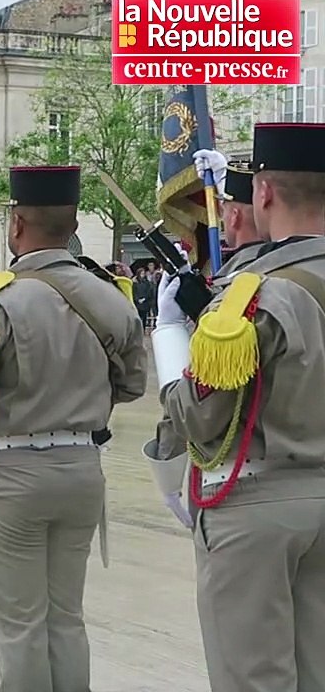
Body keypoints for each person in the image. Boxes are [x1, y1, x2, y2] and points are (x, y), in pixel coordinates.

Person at [0, 165, 147, 692]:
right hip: (80, 470)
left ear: (18, 225)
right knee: (66, 619)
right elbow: (133, 383)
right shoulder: (110, 297)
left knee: (21, 628)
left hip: (13, 475)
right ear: (71, 226)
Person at [153, 124, 325, 692]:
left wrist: (171, 337)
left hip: (256, 507)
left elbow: (200, 416)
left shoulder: (252, 296)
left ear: (266, 193)